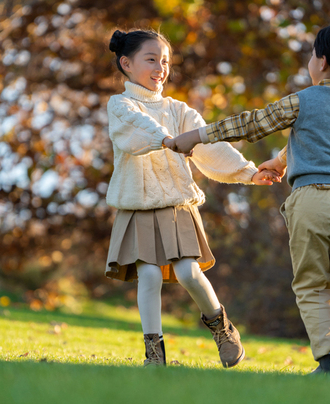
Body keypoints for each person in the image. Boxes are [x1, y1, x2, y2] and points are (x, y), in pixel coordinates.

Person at [166, 19, 330, 379]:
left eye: (311, 54)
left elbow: (252, 124)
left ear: (321, 61)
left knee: (312, 284)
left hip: (311, 201)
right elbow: (320, 141)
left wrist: (195, 137)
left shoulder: (303, 100)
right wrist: (279, 161)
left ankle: (329, 362)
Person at [105, 28, 278, 367]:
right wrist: (166, 139)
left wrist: (248, 172)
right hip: (138, 205)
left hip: (176, 204)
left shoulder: (178, 109)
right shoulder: (120, 105)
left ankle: (222, 329)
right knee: (150, 276)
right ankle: (154, 352)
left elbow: (209, 146)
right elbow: (135, 128)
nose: (161, 67)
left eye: (165, 61)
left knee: (187, 272)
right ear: (126, 63)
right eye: (151, 59)